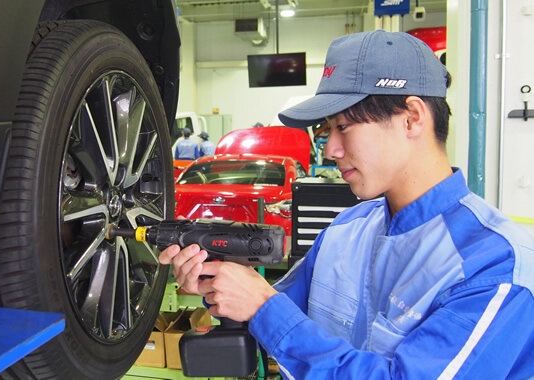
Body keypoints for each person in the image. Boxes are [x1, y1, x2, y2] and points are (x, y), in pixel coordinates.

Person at [159, 30, 534, 379]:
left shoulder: (495, 265)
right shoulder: (344, 230)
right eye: (327, 131)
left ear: (412, 118)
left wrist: (261, 306)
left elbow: (270, 310)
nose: (332, 150)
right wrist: (218, 285)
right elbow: (276, 311)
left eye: (344, 127)